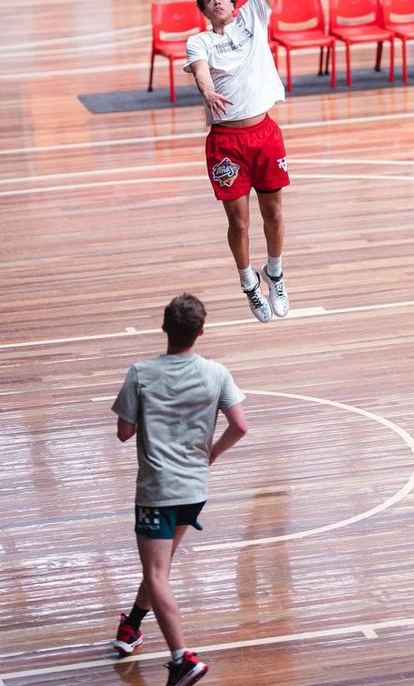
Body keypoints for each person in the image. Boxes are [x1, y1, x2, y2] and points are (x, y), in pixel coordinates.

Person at [111, 293, 247, 686]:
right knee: (161, 568)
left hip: (157, 489)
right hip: (194, 487)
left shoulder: (141, 373)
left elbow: (123, 433)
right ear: (200, 332)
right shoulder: (217, 373)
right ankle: (131, 627)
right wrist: (213, 454)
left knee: (156, 573)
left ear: (163, 328)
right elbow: (240, 426)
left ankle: (181, 658)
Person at [184, 0, 290, 324]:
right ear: (206, 11)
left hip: (265, 132)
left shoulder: (253, 18)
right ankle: (248, 282)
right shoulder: (200, 43)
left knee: (275, 213)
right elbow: (200, 72)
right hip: (227, 141)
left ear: (233, 2)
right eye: (209, 0)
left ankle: (276, 273)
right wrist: (207, 91)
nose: (217, 2)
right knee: (240, 222)